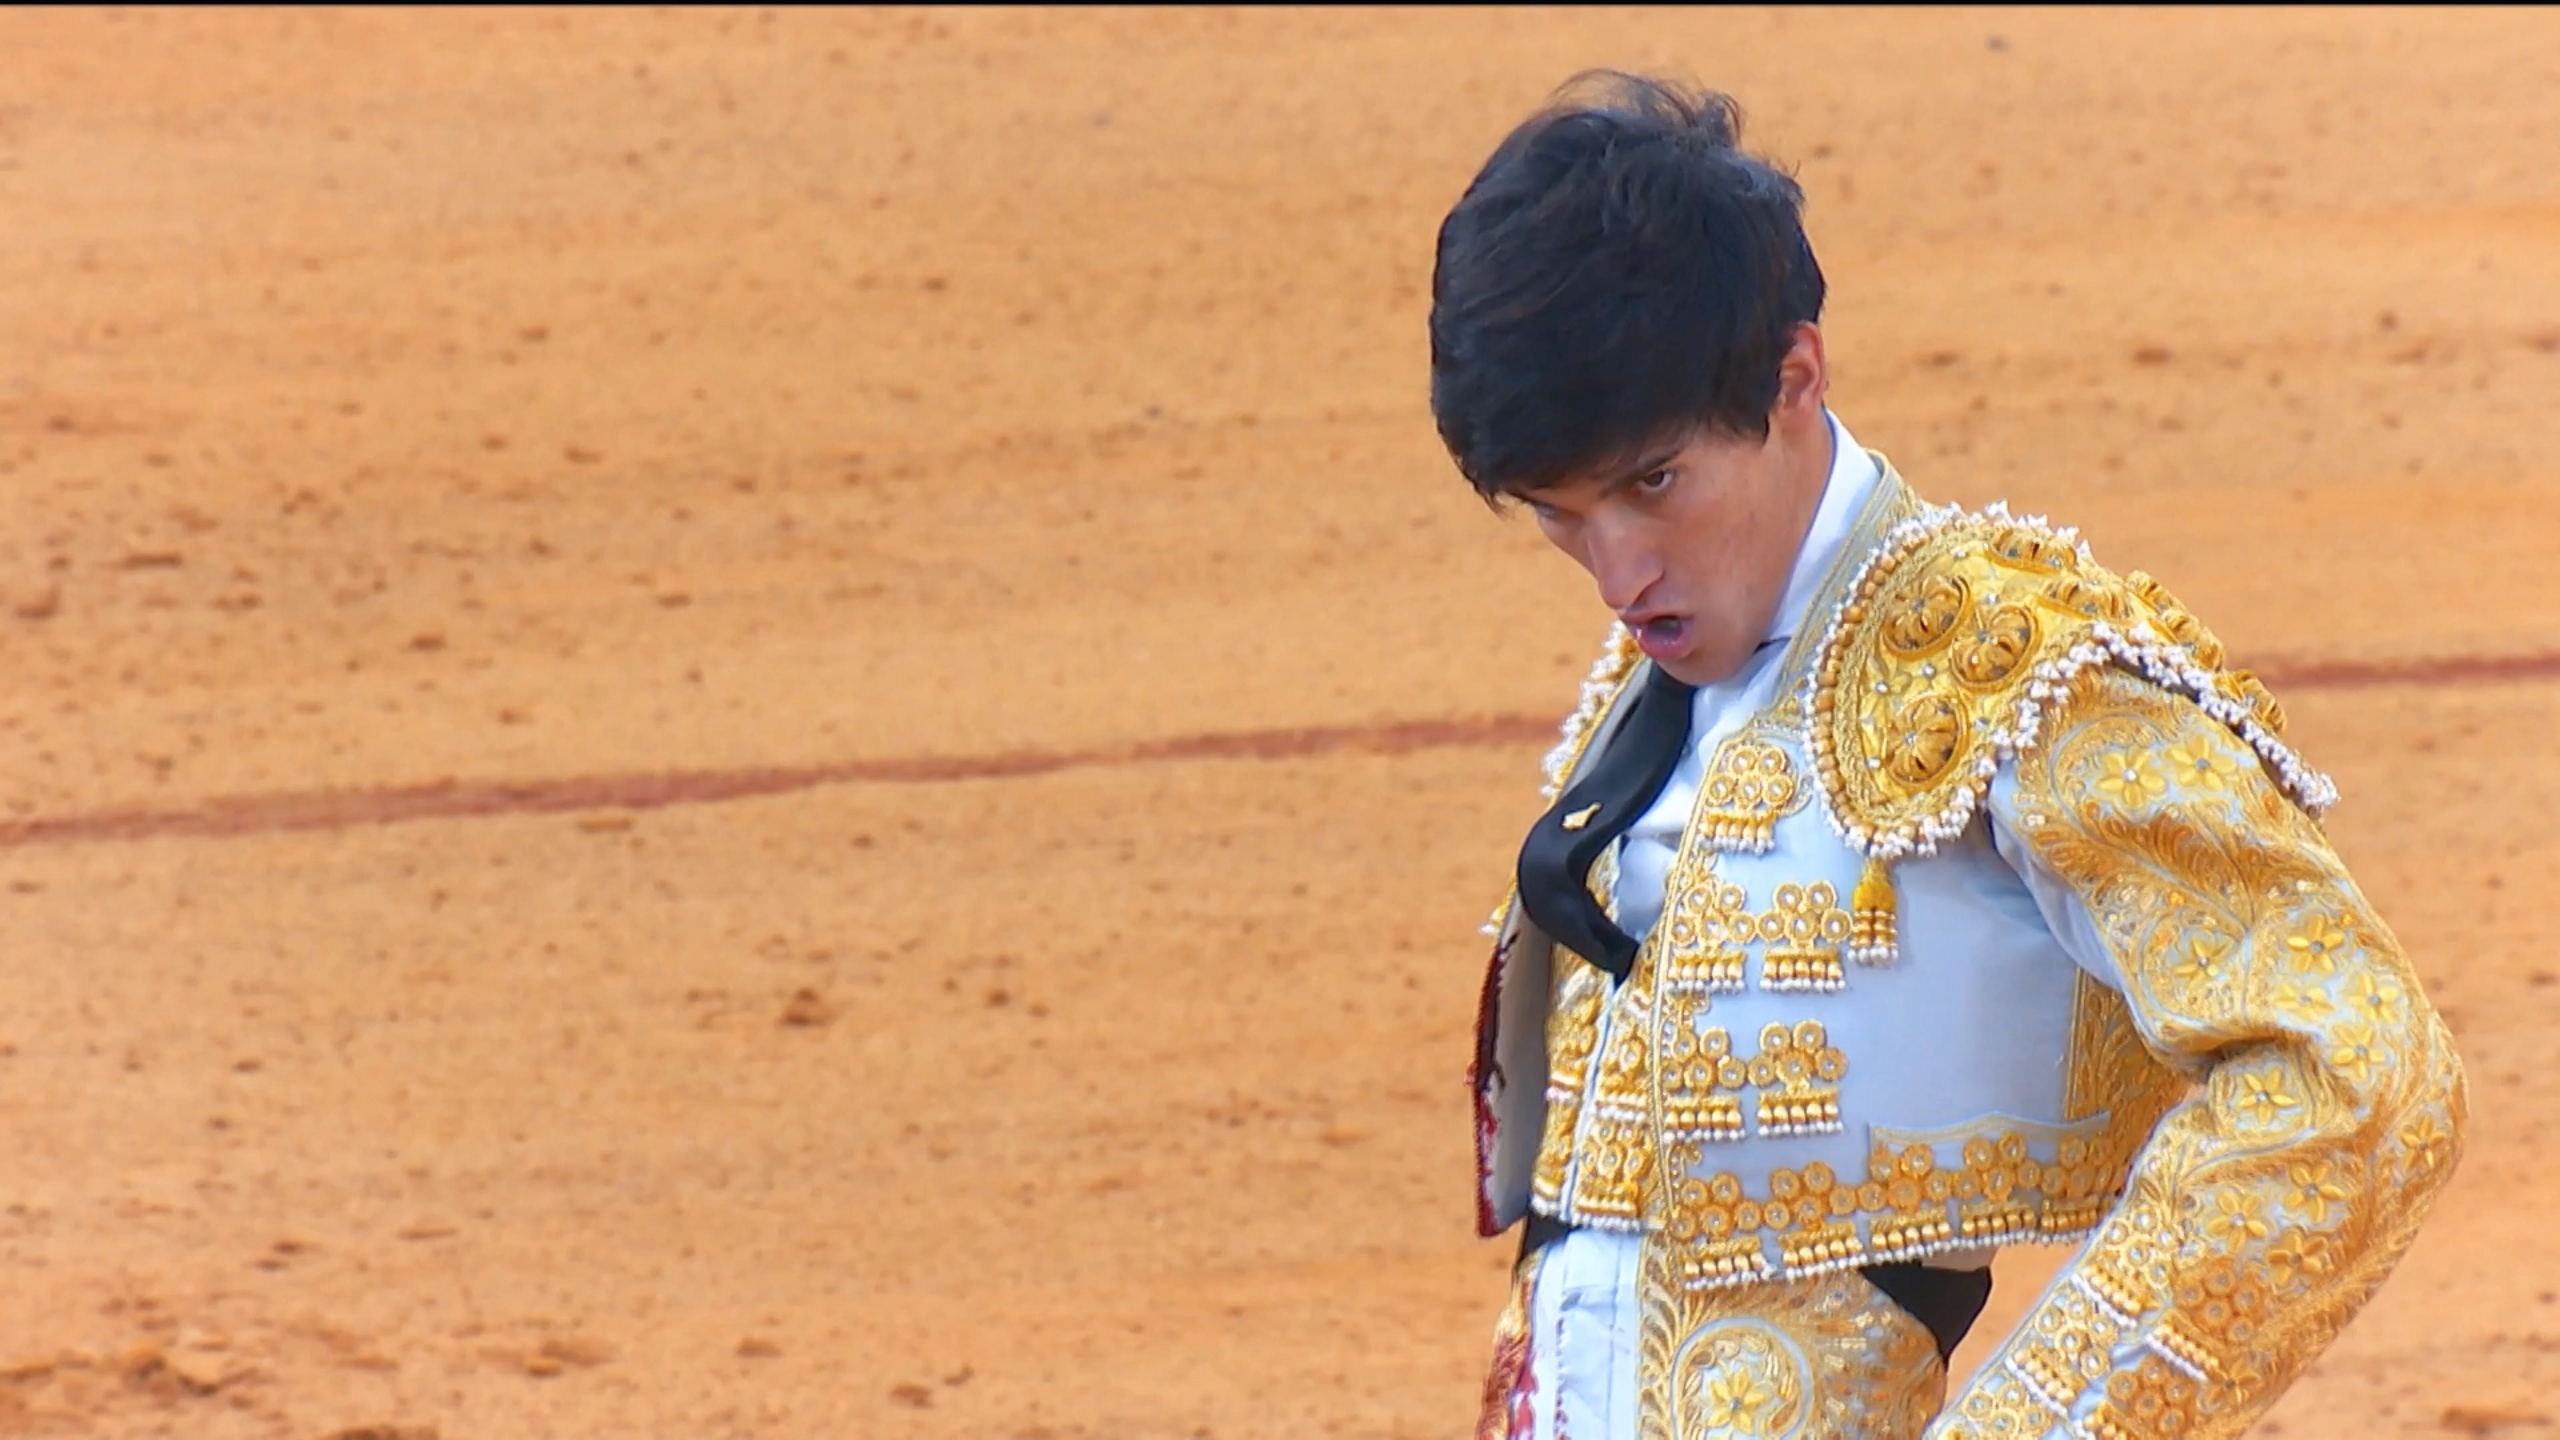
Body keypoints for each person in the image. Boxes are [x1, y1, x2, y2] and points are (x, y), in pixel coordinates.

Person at [1431, 72, 2466, 1440]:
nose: (1617, 571)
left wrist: (2049, 1420)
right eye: (1563, 517)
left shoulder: (2006, 661)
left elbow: (2360, 1080)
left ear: (1796, 375)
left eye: (1654, 483)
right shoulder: (1654, 697)